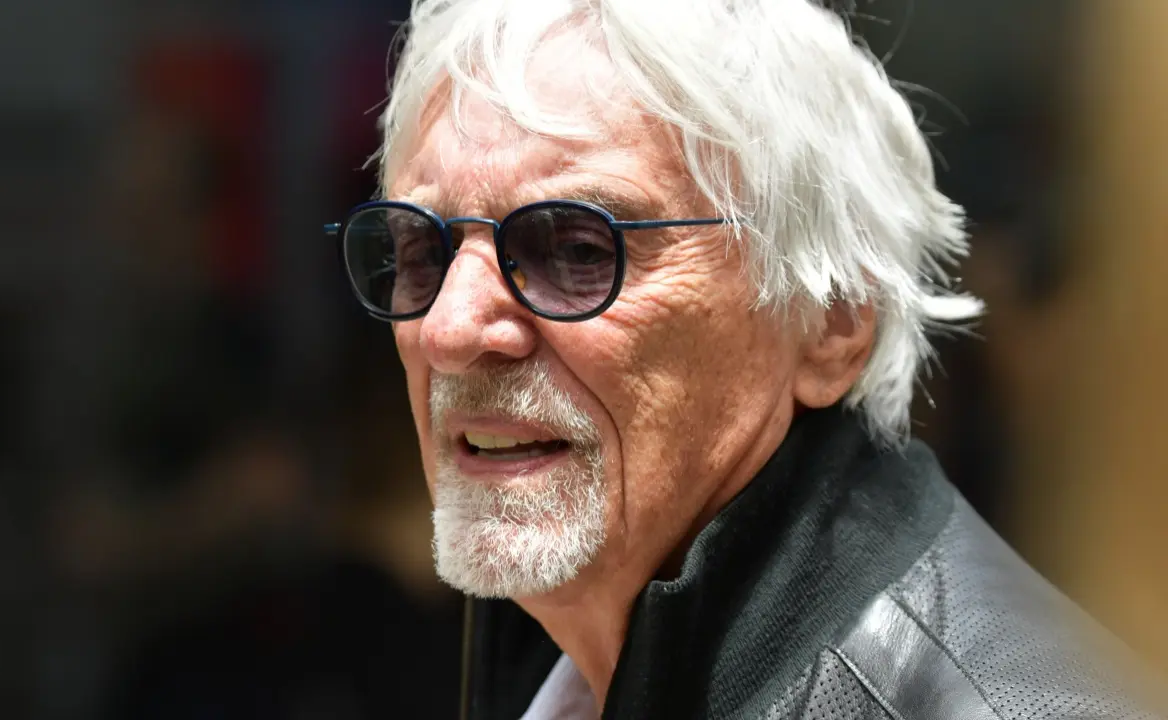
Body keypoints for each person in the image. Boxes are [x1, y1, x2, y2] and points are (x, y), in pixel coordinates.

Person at [326, 1, 1165, 717]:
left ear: (833, 319)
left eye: (578, 249)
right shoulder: (558, 638)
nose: (449, 329)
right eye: (423, 251)